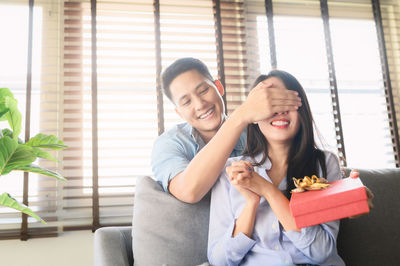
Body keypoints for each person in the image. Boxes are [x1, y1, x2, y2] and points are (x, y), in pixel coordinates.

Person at [207, 71, 348, 266]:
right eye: (270, 103)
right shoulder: (231, 171)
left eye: (286, 102)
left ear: (302, 110)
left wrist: (268, 190)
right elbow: (219, 260)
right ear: (254, 116)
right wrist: (251, 203)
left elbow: (322, 251)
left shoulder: (325, 163)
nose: (279, 110)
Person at [151, 58, 302, 203]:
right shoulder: (169, 144)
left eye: (203, 90)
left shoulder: (256, 129)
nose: (200, 105)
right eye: (187, 102)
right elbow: (189, 192)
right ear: (179, 113)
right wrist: (240, 116)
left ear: (219, 87)